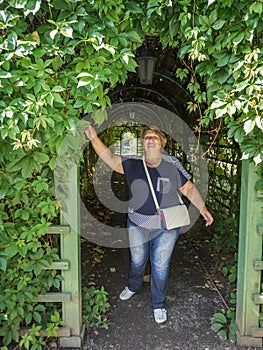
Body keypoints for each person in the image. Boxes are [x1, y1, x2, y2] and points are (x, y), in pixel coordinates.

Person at [85, 124, 213, 324]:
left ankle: (158, 303)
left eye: (155, 137)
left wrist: (202, 208)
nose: (151, 140)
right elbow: (110, 159)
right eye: (147, 137)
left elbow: (188, 188)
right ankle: (134, 286)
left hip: (166, 226)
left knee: (160, 265)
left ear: (162, 142)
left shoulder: (172, 164)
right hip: (138, 222)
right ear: (142, 143)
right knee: (137, 259)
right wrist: (93, 137)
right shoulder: (134, 164)